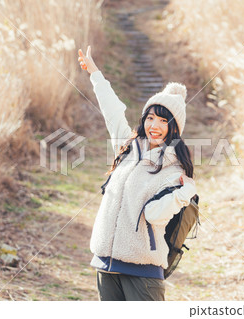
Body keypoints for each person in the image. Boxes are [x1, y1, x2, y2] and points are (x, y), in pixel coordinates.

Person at [78, 46, 197, 301]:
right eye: (150, 118)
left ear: (174, 128)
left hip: (142, 271)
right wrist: (95, 74)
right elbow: (112, 112)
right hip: (106, 264)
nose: (154, 126)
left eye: (163, 121)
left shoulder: (174, 168)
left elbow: (155, 215)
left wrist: (185, 192)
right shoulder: (127, 147)